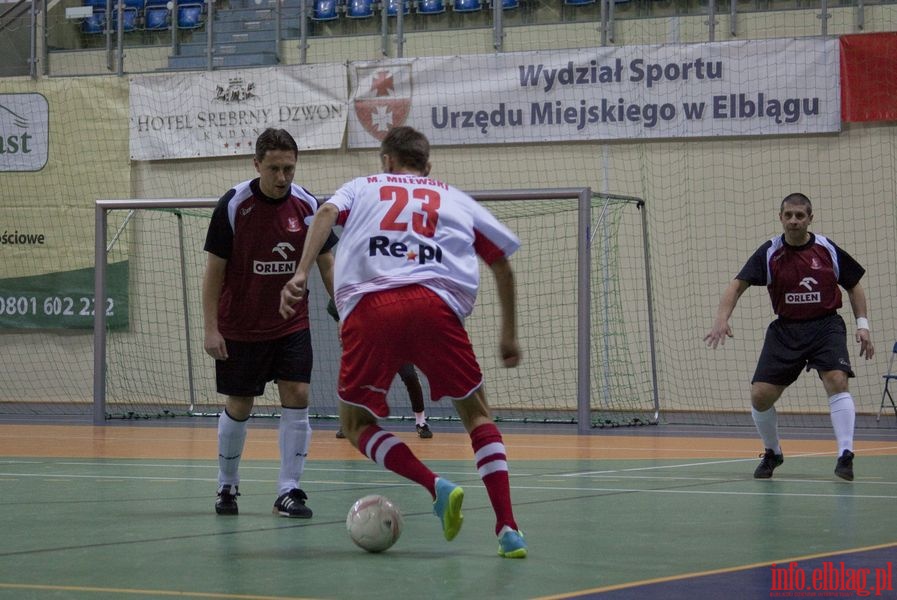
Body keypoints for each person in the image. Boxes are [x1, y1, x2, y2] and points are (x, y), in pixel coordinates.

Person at [280, 126, 528, 558]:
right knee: (478, 415)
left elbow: (323, 216)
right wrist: (508, 333)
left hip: (370, 308)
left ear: (387, 160)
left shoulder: (362, 185)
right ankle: (508, 527)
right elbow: (501, 264)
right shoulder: (451, 195)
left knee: (355, 426)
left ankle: (436, 485)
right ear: (427, 166)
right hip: (435, 306)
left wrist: (301, 273)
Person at [202, 128, 337, 518]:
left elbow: (328, 264)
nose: (282, 177)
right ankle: (227, 484)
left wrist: (345, 309)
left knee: (297, 393)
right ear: (256, 164)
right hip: (240, 326)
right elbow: (214, 272)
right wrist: (211, 328)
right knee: (240, 404)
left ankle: (288, 489)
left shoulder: (307, 204)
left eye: (289, 169)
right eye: (274, 169)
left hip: (290, 324)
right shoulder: (233, 206)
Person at [704, 193, 874, 481]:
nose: (794, 220)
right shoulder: (770, 252)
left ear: (810, 218)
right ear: (780, 218)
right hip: (786, 330)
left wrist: (863, 325)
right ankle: (773, 452)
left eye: (800, 215)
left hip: (825, 326)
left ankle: (846, 455)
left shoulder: (825, 249)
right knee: (760, 396)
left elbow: (854, 285)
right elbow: (736, 286)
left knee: (837, 380)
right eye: (788, 215)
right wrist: (721, 319)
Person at [327, 298, 433, 440]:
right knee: (358, 380)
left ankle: (421, 422)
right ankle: (350, 422)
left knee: (410, 376)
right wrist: (342, 323)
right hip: (369, 341)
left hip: (397, 340)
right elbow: (335, 304)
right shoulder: (354, 285)